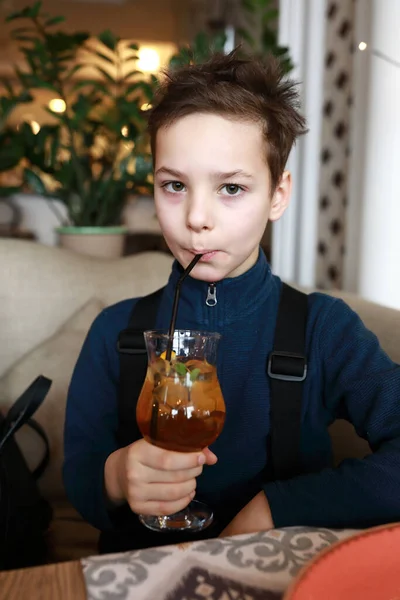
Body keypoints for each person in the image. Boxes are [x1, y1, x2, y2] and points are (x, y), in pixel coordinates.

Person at [63, 50, 400, 554]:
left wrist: (277, 508)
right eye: (174, 185)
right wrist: (116, 476)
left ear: (277, 195)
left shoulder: (323, 330)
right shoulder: (115, 332)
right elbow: (80, 481)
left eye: (231, 188)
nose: (197, 217)